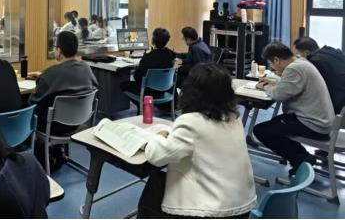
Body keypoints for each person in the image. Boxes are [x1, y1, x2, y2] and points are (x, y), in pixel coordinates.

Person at [138, 63, 257, 219]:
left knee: (155, 184)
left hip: (213, 212)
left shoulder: (191, 122)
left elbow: (157, 156)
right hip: (241, 207)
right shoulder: (234, 118)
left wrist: (159, 136)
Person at [253, 42, 335, 176]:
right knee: (274, 124)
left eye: (271, 63)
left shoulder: (294, 69)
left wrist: (264, 86)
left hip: (313, 124)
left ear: (277, 60)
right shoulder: (301, 62)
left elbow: (278, 94)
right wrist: (272, 82)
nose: (272, 67)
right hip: (320, 121)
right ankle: (300, 156)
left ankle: (301, 158)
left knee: (262, 131)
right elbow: (289, 86)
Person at [30, 32, 98, 136]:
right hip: (79, 121)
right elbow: (95, 87)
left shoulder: (51, 73)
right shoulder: (86, 68)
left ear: (59, 51)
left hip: (53, 126)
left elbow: (33, 102)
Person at [120, 28, 176, 110]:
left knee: (123, 84)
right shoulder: (171, 55)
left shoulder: (148, 57)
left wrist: (138, 68)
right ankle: (145, 106)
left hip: (148, 92)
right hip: (163, 91)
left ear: (152, 41)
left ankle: (142, 106)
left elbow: (137, 77)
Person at [294, 37, 345, 114]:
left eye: (299, 54)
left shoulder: (315, 61)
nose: (298, 56)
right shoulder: (332, 50)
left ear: (306, 52)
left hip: (336, 103)